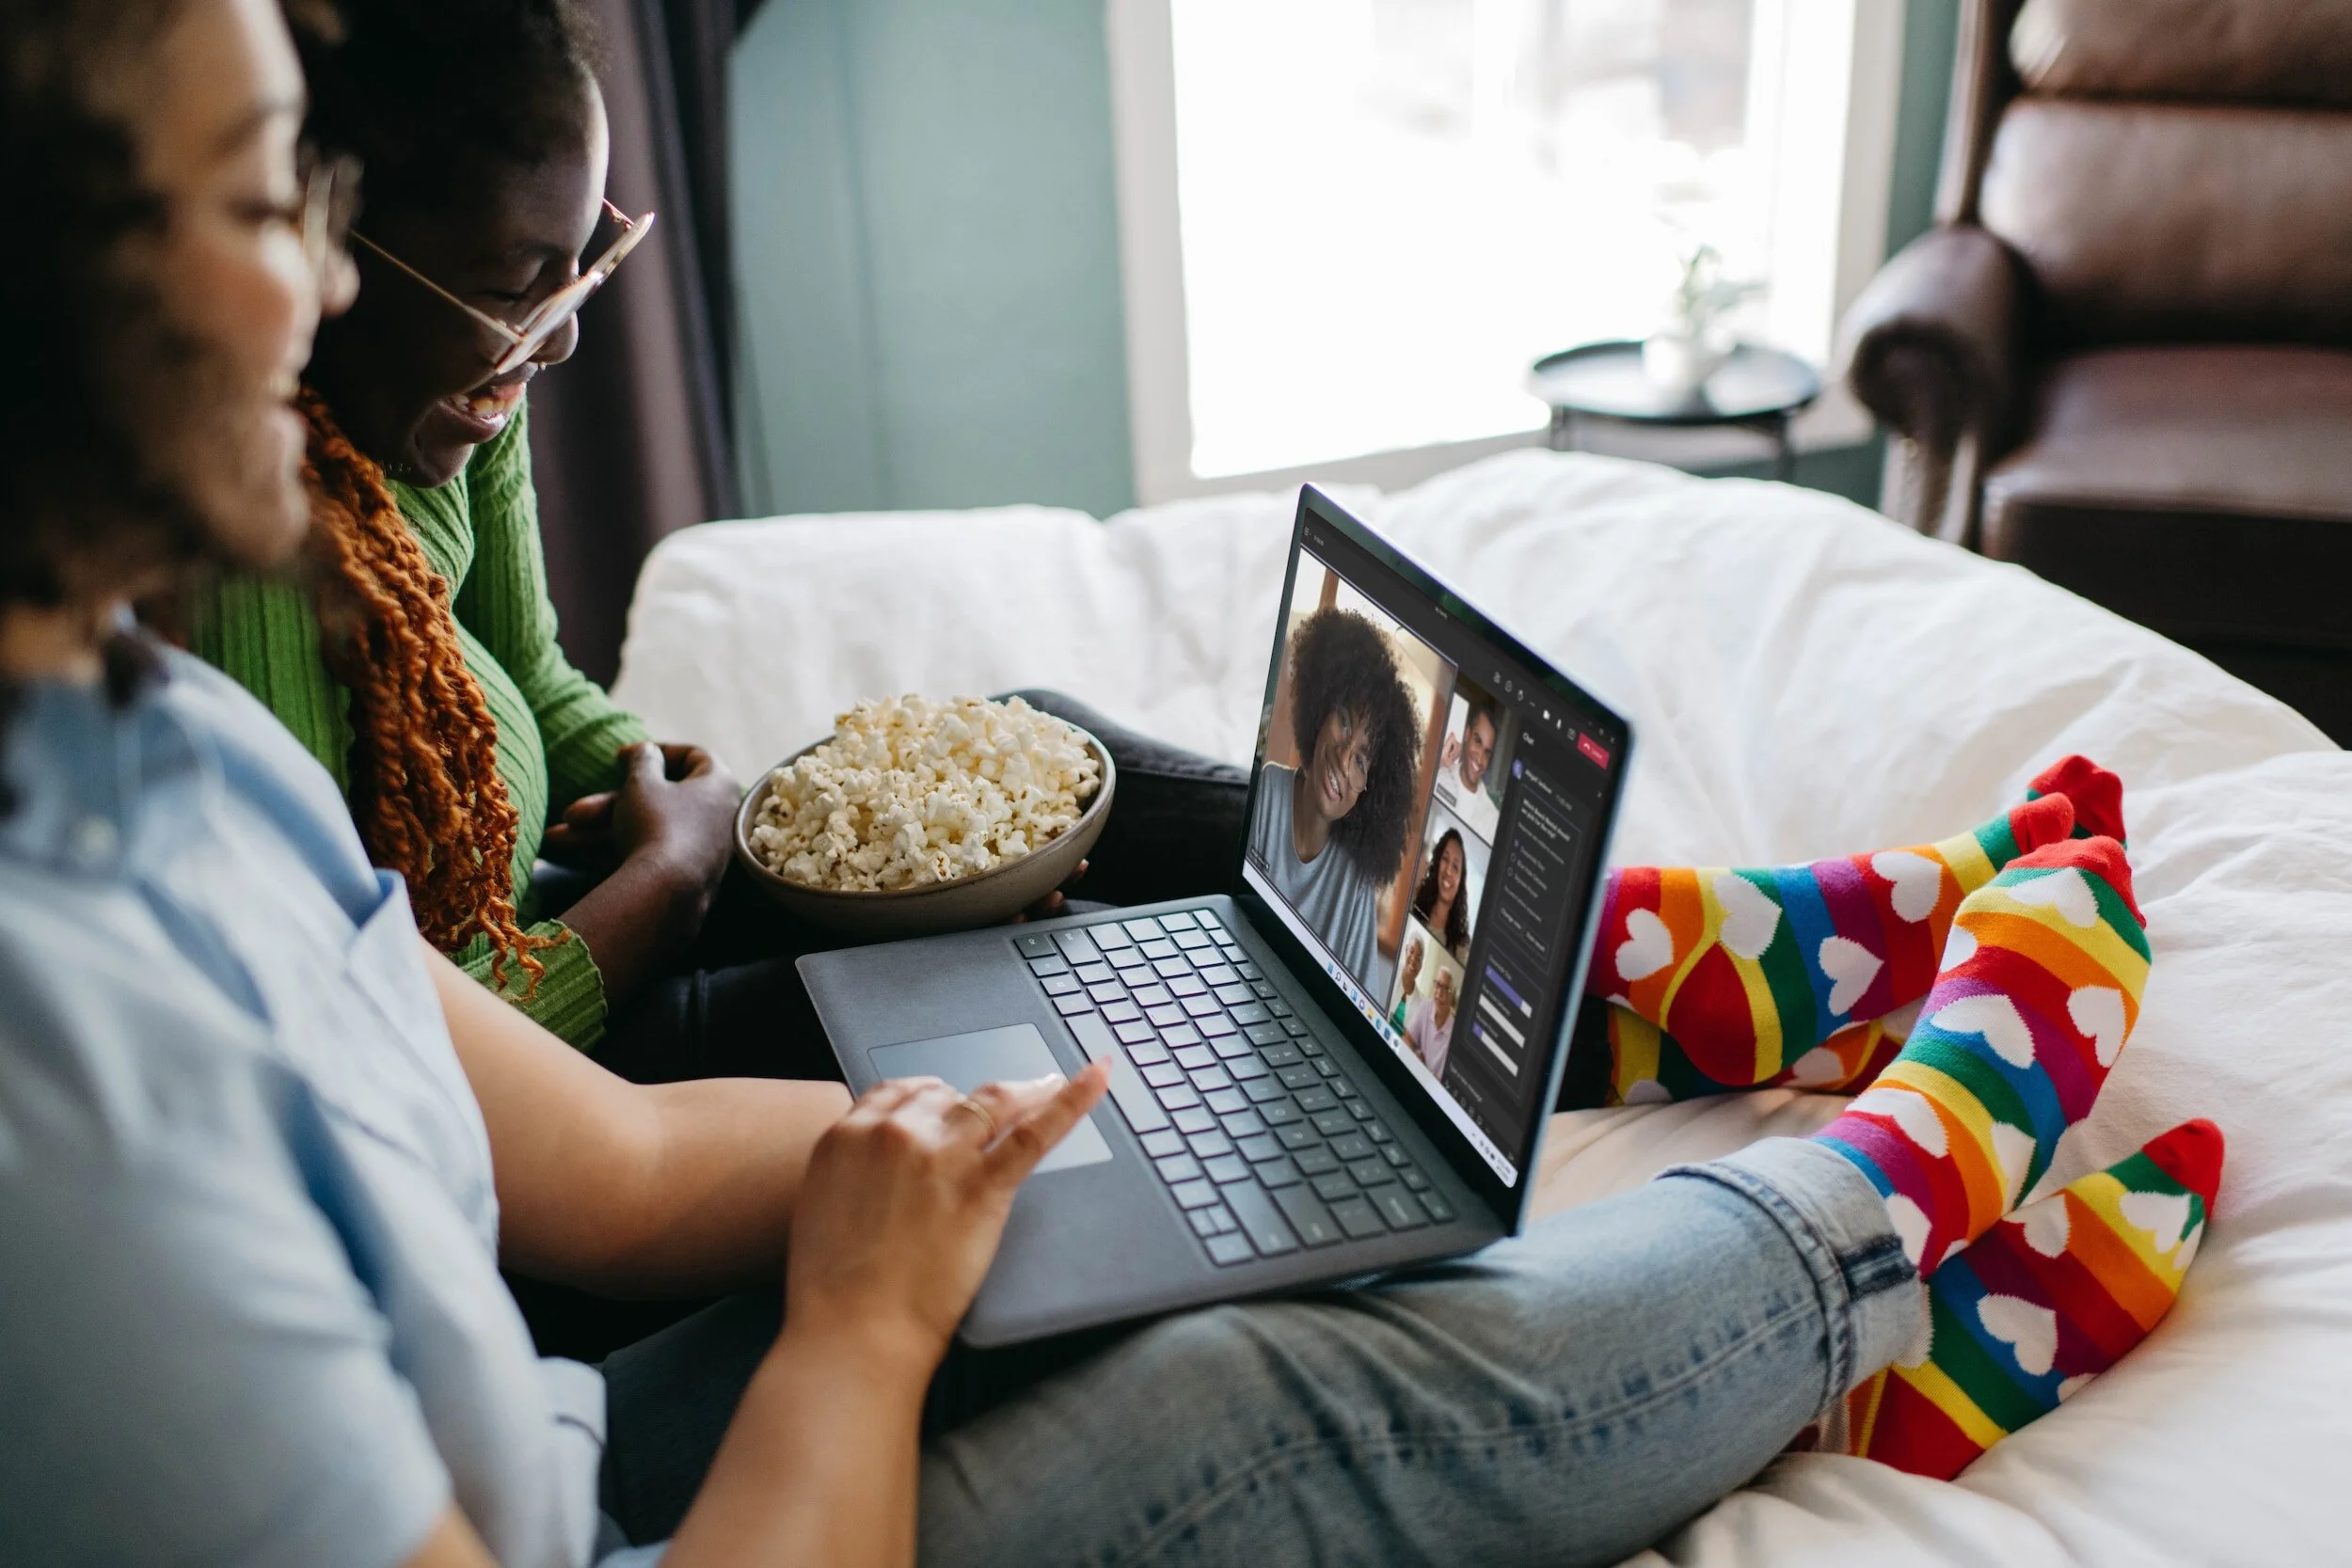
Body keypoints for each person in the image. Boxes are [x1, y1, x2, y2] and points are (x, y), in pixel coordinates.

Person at [0, 3, 2226, 1560]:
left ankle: (1642, 1019)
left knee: (1177, 1156)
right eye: (245, 195)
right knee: (1249, 1398)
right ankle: (1894, 1215)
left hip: (557, 1413)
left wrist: (1068, 1147)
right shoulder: (62, 1115)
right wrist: (867, 1330)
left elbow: (595, 1152)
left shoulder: (158, 748)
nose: (300, 270)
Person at [179, 0, 1245, 1085]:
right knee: (1026, 980)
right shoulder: (254, 558)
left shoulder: (467, 377)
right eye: (515, 292)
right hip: (552, 1052)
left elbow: (536, 677)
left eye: (584, 264)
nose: (562, 336)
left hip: (590, 918)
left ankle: (1364, 912)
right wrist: (677, 873)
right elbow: (389, 1063)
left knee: (1044, 748)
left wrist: (717, 803)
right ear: (323, 253)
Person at [1246, 607, 1421, 987]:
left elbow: (1358, 1002)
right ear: (1320, 709)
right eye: (1343, 720)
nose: (1343, 758)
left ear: (1370, 789)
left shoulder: (1354, 881)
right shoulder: (1265, 796)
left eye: (1361, 760)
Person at [1433, 690, 1501, 840]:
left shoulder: (1492, 818)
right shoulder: (1440, 775)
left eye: (1487, 753)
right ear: (1467, 734)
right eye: (1477, 741)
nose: (1480, 759)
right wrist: (1438, 763)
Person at [1412, 825, 1471, 961]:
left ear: (1460, 881)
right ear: (1437, 863)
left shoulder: (1461, 947)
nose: (1448, 871)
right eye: (1445, 859)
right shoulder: (1414, 902)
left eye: (1455, 867)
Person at [1406, 963, 1457, 1076]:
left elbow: (1441, 1081)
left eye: (1446, 988)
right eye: (1438, 985)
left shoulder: (1454, 1035)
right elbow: (1407, 1039)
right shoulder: (1425, 1006)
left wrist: (1422, 1070)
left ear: (1452, 996)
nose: (1439, 993)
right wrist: (1415, 1052)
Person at [1389, 934, 1424, 1032]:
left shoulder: (1420, 1004)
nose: (1413, 959)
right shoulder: (1391, 968)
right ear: (1405, 951)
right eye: (1411, 951)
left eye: (1418, 958)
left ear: (1421, 966)